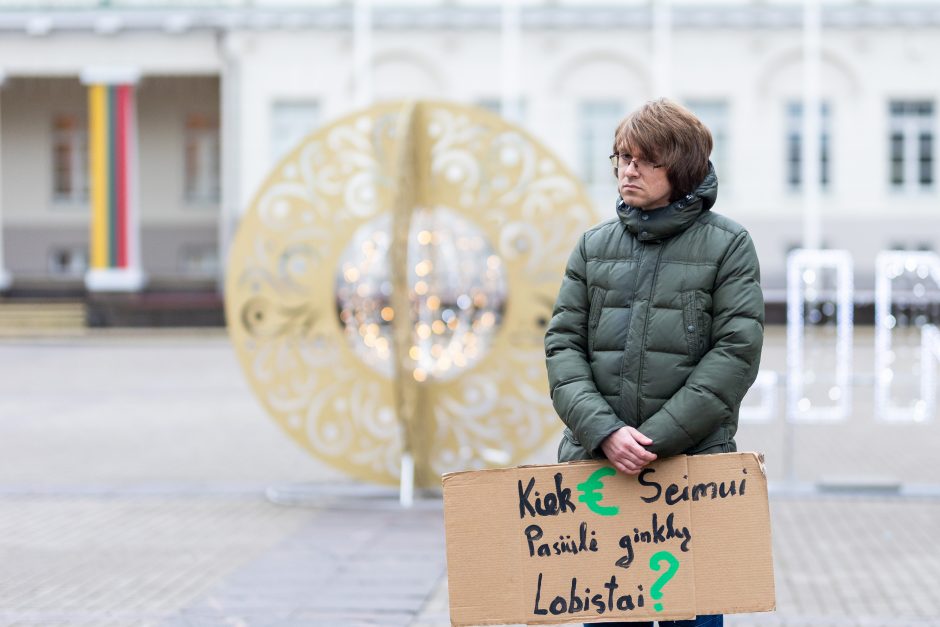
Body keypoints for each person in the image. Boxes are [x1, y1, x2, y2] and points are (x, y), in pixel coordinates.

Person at [543, 99, 764, 627]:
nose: (627, 170)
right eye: (621, 157)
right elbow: (562, 347)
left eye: (645, 159)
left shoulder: (728, 245)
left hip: (689, 474)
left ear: (682, 167)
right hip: (600, 474)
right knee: (610, 616)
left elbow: (735, 353)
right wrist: (605, 432)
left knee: (692, 615)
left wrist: (649, 442)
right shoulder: (594, 246)